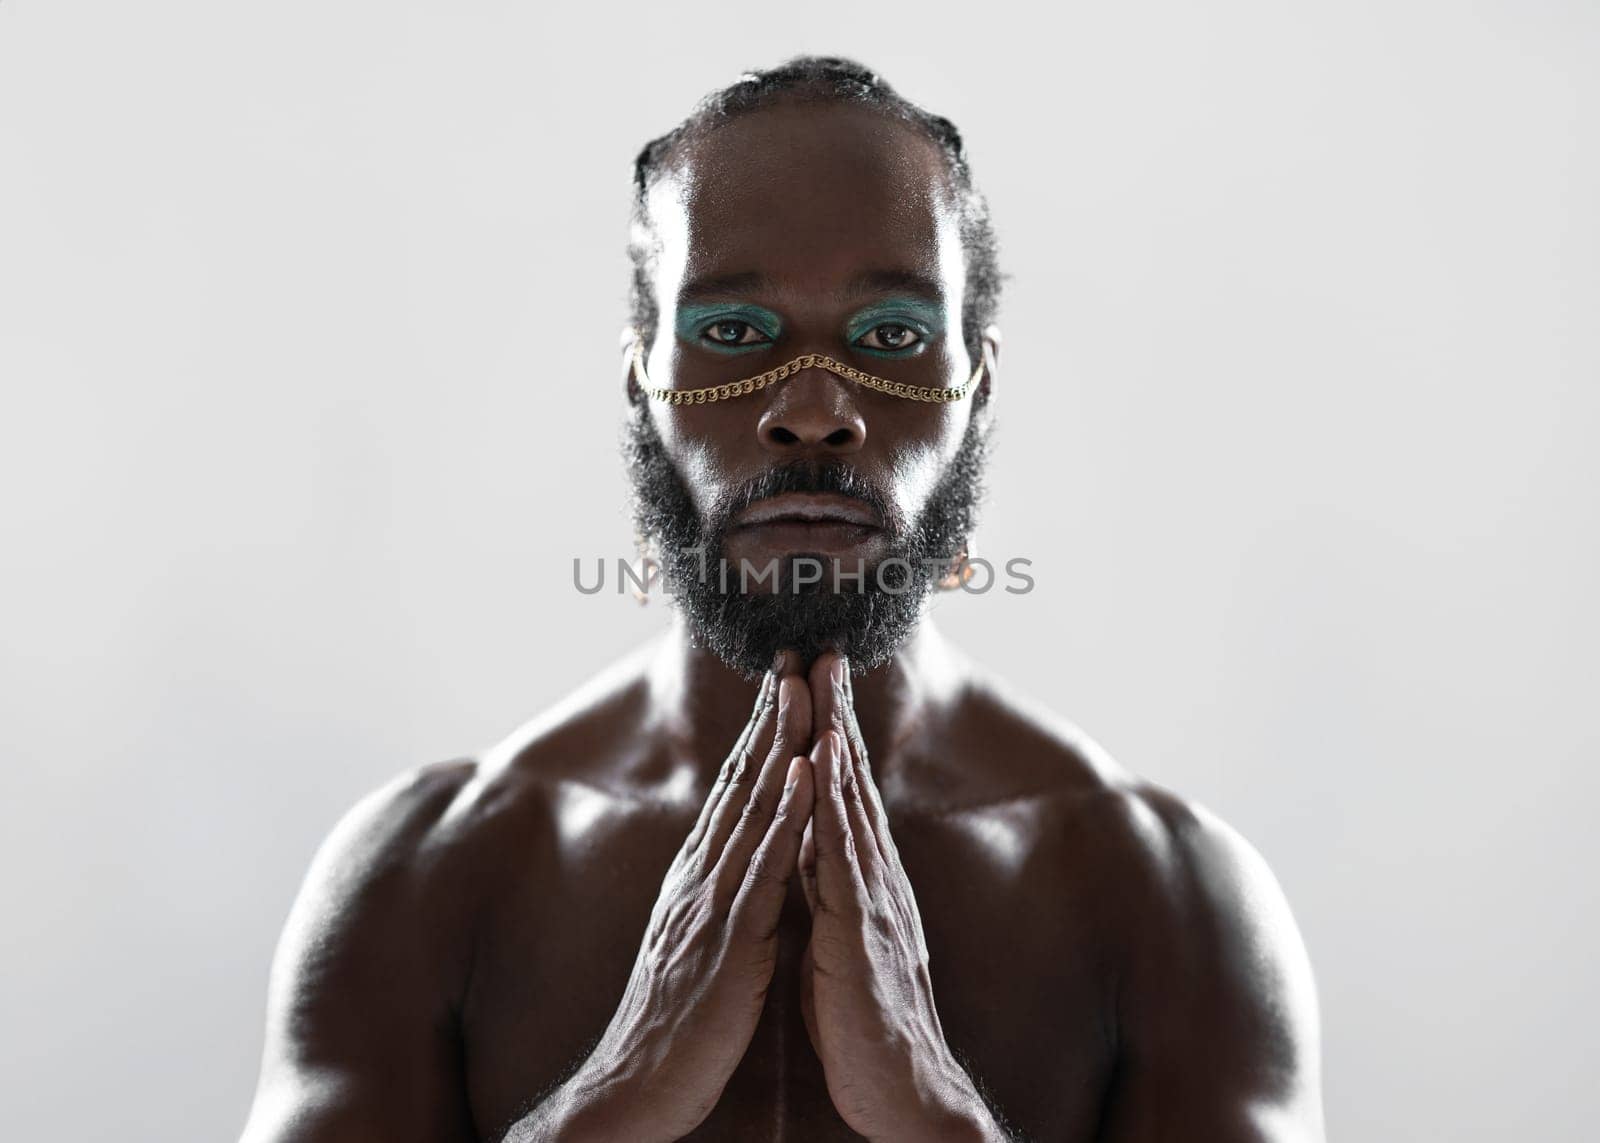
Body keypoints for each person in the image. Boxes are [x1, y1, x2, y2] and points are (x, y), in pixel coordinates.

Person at [241, 55, 1324, 1142]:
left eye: (890, 337)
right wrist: (603, 1107)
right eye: (733, 334)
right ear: (642, 379)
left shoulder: (1166, 899)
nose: (810, 410)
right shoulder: (430, 874)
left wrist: (942, 1122)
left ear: (976, 385)